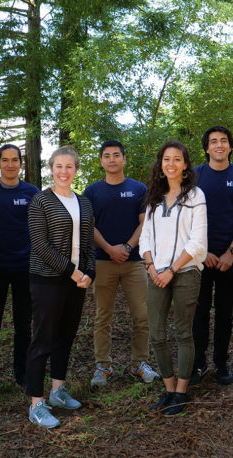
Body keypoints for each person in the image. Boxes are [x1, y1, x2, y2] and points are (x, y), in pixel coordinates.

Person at [26, 146, 95, 429]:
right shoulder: (40, 201)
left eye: (69, 167)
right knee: (42, 340)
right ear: (51, 169)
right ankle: (36, 404)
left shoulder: (85, 202)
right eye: (58, 166)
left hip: (78, 281)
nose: (63, 172)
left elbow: (89, 242)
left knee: (65, 336)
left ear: (76, 170)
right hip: (48, 280)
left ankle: (57, 391)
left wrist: (88, 272)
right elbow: (40, 245)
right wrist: (72, 272)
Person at [140, 140, 207, 416]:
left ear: (185, 164)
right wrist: (152, 266)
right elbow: (145, 236)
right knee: (156, 334)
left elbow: (198, 241)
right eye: (166, 159)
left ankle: (181, 392)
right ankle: (168, 389)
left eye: (177, 159)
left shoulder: (195, 196)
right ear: (160, 164)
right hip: (156, 272)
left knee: (182, 333)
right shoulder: (154, 197)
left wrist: (171, 270)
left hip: (186, 272)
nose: (171, 164)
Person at [83, 140, 156, 387]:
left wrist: (126, 247)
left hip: (134, 261)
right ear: (101, 161)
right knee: (103, 316)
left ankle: (139, 364)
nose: (112, 159)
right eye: (107, 155)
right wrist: (109, 249)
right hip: (103, 262)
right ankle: (103, 366)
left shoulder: (139, 189)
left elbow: (144, 222)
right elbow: (88, 225)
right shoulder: (92, 191)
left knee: (142, 315)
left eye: (116, 155)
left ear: (124, 159)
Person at [0, 144, 39, 402]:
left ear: (21, 163)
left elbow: (38, 228)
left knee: (24, 325)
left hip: (25, 268)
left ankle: (22, 373)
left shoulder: (32, 192)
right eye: (5, 160)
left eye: (15, 160)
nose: (10, 164)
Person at [191, 126, 233, 385]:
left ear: (230, 146)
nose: (219, 145)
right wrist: (202, 252)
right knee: (199, 312)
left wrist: (232, 251)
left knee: (226, 313)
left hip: (231, 257)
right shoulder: (194, 176)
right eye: (213, 141)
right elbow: (187, 218)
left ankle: (221, 362)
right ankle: (198, 363)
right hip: (198, 257)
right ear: (206, 148)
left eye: (224, 141)